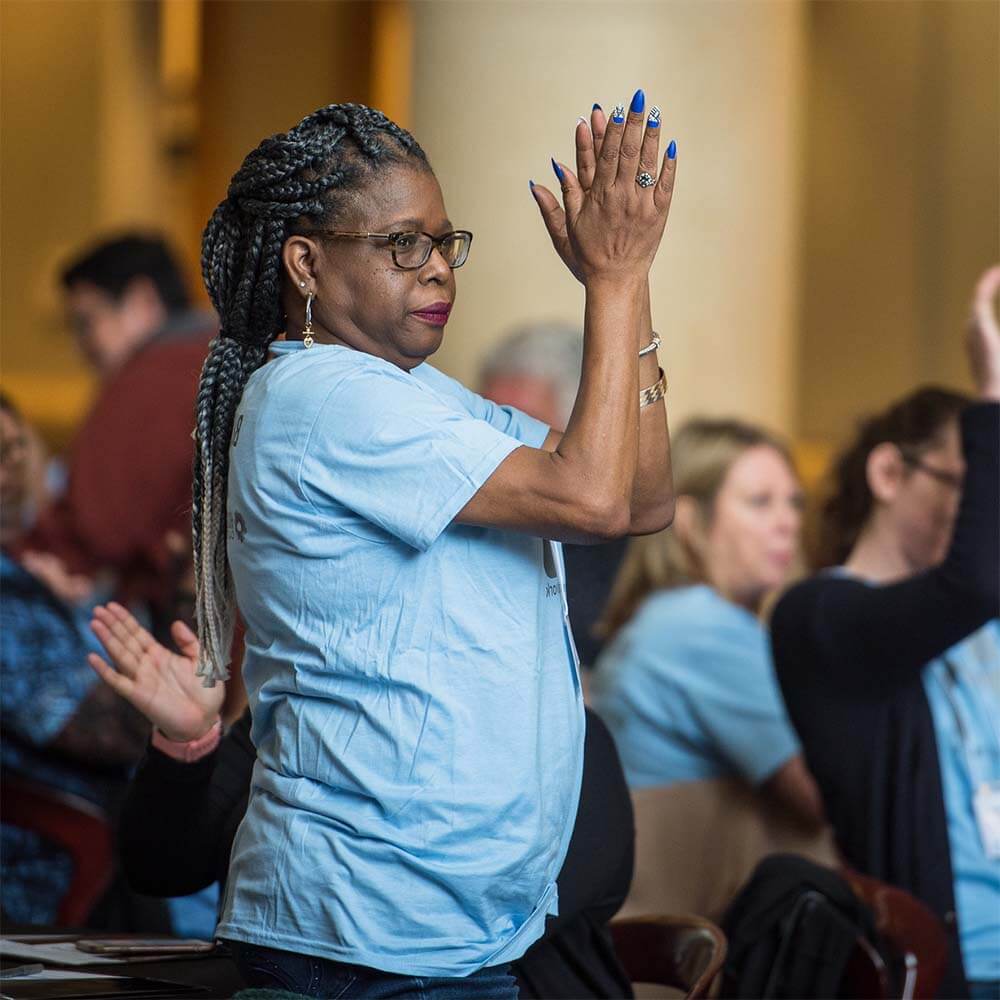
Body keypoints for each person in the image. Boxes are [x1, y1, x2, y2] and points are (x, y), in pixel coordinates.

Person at [179, 96, 675, 997]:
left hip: (445, 931)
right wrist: (608, 280)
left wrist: (631, 285)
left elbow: (641, 496)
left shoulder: (419, 397)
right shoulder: (324, 399)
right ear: (306, 262)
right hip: (361, 934)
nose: (438, 268)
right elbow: (595, 499)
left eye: (446, 242)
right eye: (404, 244)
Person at [87, 602, 635, 998]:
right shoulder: (301, 714)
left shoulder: (568, 744)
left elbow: (463, 932)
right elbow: (159, 869)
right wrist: (187, 739)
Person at [770, 265, 1000, 1000]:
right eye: (969, 485)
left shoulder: (979, 629)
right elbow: (976, 580)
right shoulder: (818, 617)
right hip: (956, 970)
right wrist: (990, 399)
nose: (981, 515)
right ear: (889, 473)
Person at [589, 418, 835, 923]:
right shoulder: (701, 627)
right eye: (760, 502)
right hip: (686, 946)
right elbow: (821, 798)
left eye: (794, 502)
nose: (787, 521)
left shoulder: (663, 615)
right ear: (690, 521)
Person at [0, 393, 150, 926]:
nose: (13, 469)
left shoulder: (42, 570)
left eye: (18, 448)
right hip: (40, 869)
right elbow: (108, 734)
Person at [19, 234, 215, 632]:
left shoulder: (155, 376)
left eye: (86, 322)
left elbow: (96, 527)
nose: (81, 346)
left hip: (186, 632)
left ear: (143, 301)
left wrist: (24, 560)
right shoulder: (222, 353)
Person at [478, 324, 628, 667]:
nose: (500, 449)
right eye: (489, 424)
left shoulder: (614, 540)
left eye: (524, 429)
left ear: (580, 433)